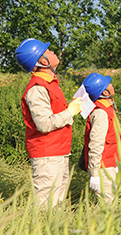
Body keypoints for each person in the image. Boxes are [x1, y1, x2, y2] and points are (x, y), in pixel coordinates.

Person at [15, 38, 82, 208]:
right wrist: (70, 111)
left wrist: (71, 108)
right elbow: (44, 124)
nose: (53, 52)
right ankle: (36, 234)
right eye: (49, 51)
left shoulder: (49, 84)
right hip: (47, 154)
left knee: (56, 205)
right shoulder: (37, 88)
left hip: (57, 152)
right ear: (43, 61)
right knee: (45, 206)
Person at [81, 72, 120, 203]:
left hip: (108, 164)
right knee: (106, 205)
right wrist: (95, 174)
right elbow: (96, 145)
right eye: (107, 84)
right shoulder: (101, 113)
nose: (111, 84)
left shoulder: (106, 109)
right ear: (104, 93)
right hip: (102, 167)